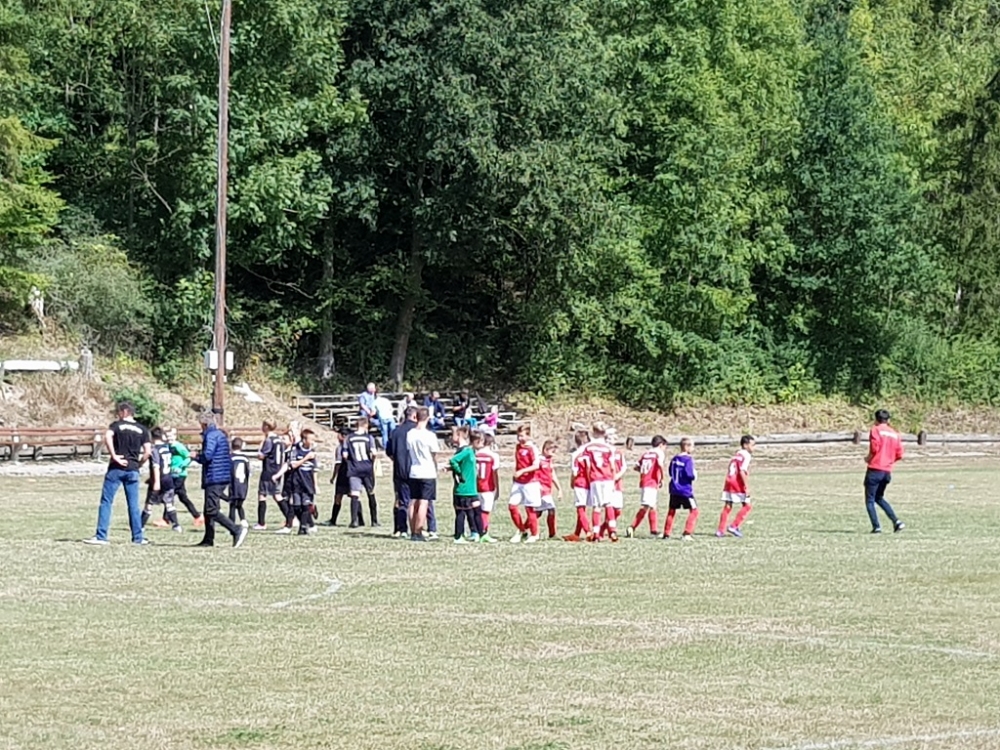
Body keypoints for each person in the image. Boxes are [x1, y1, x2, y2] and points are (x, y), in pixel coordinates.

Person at [84, 401, 151, 546]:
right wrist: (139, 463)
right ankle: (138, 537)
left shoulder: (116, 425)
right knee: (133, 505)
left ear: (124, 412)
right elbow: (147, 452)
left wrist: (114, 455)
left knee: (106, 502)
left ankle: (101, 536)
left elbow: (107, 437)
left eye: (119, 412)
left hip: (116, 468)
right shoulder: (142, 429)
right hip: (132, 469)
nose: (118, 415)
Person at [194, 411, 248, 548]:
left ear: (204, 423)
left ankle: (235, 529)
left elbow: (208, 456)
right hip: (222, 474)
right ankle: (208, 539)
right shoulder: (219, 434)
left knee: (211, 510)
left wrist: (195, 456)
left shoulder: (210, 436)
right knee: (208, 509)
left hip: (214, 476)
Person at [865, 409, 906, 534]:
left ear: (876, 419)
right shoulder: (895, 433)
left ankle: (876, 527)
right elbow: (899, 454)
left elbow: (874, 448)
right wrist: (889, 461)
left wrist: (869, 458)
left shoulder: (875, 430)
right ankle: (896, 521)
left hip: (875, 469)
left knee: (870, 499)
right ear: (888, 420)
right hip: (887, 471)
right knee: (879, 497)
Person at [406, 407, 441, 541]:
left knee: (413, 501)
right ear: (428, 418)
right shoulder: (430, 435)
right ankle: (418, 530)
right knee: (424, 502)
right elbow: (434, 454)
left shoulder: (410, 434)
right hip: (427, 471)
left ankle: (412, 529)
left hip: (414, 470)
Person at [141, 427, 181, 533]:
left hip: (159, 479)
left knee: (149, 504)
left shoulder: (154, 450)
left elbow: (156, 466)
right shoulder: (166, 448)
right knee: (169, 504)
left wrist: (156, 481)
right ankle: (176, 525)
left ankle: (140, 526)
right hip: (168, 478)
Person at [386, 406, 418, 538]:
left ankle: (400, 528)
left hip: (399, 470)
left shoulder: (395, 432)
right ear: (415, 416)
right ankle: (418, 528)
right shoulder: (418, 431)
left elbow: (389, 452)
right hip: (415, 469)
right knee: (417, 500)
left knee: (400, 500)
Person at [508, 424, 542, 543]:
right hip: (519, 482)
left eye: (522, 436)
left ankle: (535, 534)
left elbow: (536, 465)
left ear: (529, 436)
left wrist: (522, 471)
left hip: (530, 482)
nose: (520, 438)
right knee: (512, 506)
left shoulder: (532, 448)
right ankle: (522, 531)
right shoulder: (518, 447)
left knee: (530, 508)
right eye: (518, 436)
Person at [627, 435, 667, 538]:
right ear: (661, 445)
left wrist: (645, 472)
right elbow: (660, 465)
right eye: (664, 446)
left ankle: (653, 530)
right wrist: (662, 478)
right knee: (646, 506)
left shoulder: (646, 453)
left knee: (652, 505)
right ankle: (632, 527)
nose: (664, 449)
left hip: (644, 481)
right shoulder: (659, 453)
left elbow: (636, 467)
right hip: (651, 482)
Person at [583, 422, 616, 542]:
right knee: (608, 504)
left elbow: (588, 466)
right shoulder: (609, 448)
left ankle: (596, 533)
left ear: (593, 432)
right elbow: (612, 466)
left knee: (597, 506)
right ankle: (613, 531)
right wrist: (613, 479)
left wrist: (589, 479)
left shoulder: (588, 447)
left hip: (595, 478)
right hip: (607, 478)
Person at [717, 435, 755, 538]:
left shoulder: (737, 454)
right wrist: (746, 486)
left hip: (729, 481)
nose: (753, 448)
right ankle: (734, 526)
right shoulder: (746, 455)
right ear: (745, 445)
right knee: (747, 505)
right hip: (737, 482)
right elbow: (742, 470)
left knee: (728, 506)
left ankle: (720, 530)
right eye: (752, 445)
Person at [344, 417, 379, 528]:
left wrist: (351, 461)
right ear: (366, 425)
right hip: (367, 468)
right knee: (371, 493)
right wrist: (372, 462)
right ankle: (374, 520)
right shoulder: (369, 438)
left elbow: (345, 455)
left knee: (355, 494)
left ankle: (354, 521)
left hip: (354, 469)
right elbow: (374, 453)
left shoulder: (349, 438)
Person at [449, 426, 481, 543]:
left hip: (470, 488)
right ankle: (459, 536)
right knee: (462, 512)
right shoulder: (466, 451)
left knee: (472, 511)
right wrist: (459, 473)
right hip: (464, 489)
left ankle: (476, 532)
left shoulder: (469, 451)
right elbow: (453, 461)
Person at [166, 428, 203, 527]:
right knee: (182, 497)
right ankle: (197, 516)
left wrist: (180, 466)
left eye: (171, 436)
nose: (169, 438)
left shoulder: (179, 446)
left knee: (170, 495)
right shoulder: (167, 446)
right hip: (172, 474)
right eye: (167, 436)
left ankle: (166, 519)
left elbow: (188, 457)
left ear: (175, 436)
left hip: (180, 475)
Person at [663, 438, 698, 540]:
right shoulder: (688, 459)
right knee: (694, 511)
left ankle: (666, 533)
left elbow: (670, 471)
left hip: (674, 489)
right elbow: (689, 474)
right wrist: (694, 476)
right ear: (686, 447)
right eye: (692, 446)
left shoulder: (675, 459)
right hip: (685, 490)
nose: (693, 449)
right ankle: (687, 533)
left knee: (672, 511)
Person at [563, 430, 593, 542]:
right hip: (591, 482)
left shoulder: (576, 454)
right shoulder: (591, 452)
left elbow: (574, 472)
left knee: (580, 508)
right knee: (584, 508)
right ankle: (576, 533)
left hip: (580, 483)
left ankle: (588, 531)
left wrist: (572, 482)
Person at [254, 420, 285, 531]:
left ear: (267, 426)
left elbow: (261, 456)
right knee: (277, 495)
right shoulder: (279, 440)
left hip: (269, 470)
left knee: (262, 495)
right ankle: (290, 517)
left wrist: (260, 448)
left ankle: (261, 523)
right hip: (278, 469)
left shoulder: (269, 440)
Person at [289, 429, 319, 535]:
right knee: (297, 507)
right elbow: (293, 465)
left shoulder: (313, 452)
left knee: (305, 506)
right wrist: (306, 458)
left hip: (308, 483)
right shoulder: (296, 449)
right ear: (304, 440)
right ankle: (309, 517)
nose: (313, 442)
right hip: (297, 482)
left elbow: (314, 470)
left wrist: (316, 485)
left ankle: (303, 527)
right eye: (311, 439)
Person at [473, 431, 500, 540]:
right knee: (485, 511)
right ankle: (483, 532)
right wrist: (497, 488)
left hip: (476, 485)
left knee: (476, 510)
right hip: (488, 486)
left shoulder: (476, 454)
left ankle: (475, 532)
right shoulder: (494, 456)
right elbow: (494, 473)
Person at [324, 428, 352, 526]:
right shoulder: (352, 446)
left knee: (338, 496)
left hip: (343, 474)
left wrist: (333, 476)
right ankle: (358, 519)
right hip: (352, 473)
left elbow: (338, 463)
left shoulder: (340, 448)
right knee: (354, 496)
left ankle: (333, 519)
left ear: (343, 436)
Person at [537, 440, 562, 539]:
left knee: (545, 511)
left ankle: (552, 534)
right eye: (552, 451)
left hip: (547, 490)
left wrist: (559, 489)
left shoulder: (549, 461)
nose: (553, 454)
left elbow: (552, 474)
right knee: (545, 511)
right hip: (540, 490)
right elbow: (533, 474)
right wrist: (537, 485)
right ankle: (524, 529)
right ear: (545, 450)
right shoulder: (538, 460)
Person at [229, 437, 251, 527]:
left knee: (232, 505)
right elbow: (248, 472)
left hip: (234, 484)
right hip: (243, 484)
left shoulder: (230, 457)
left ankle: (231, 524)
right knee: (239, 504)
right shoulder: (245, 458)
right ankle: (243, 520)